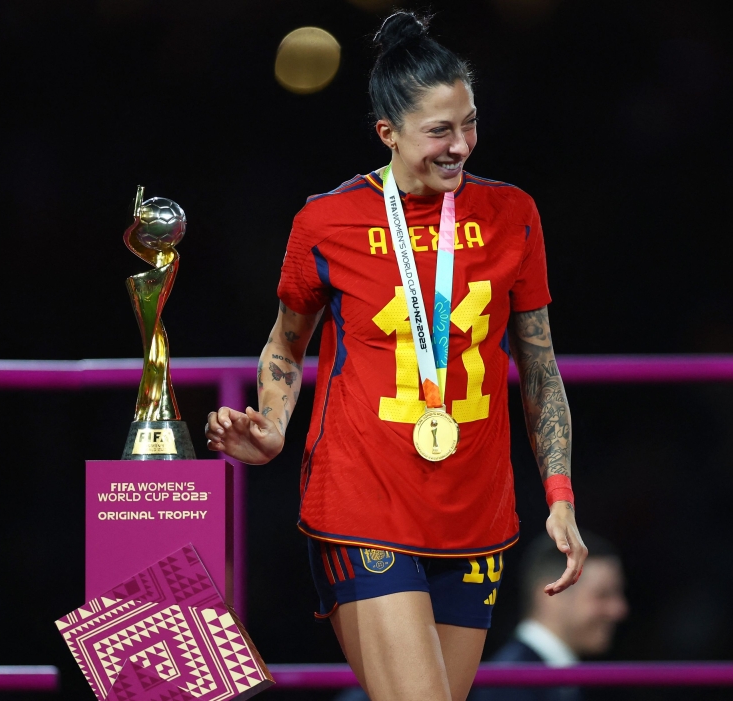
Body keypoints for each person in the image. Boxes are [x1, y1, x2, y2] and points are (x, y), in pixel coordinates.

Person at [206, 11, 587, 701]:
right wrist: (272, 421)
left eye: (469, 123)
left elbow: (539, 366)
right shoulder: (327, 222)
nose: (461, 146)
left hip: (476, 517)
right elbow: (286, 341)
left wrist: (558, 494)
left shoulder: (515, 215)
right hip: (363, 502)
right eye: (439, 131)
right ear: (387, 132)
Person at [469, 531, 628, 701]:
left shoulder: (564, 681)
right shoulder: (506, 686)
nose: (619, 610)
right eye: (602, 595)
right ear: (552, 594)